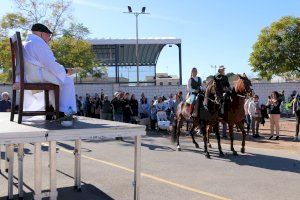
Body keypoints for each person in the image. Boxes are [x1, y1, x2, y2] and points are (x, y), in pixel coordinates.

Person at [22, 23, 76, 116]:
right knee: (67, 80)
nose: (49, 38)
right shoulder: (38, 43)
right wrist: (65, 71)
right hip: (38, 75)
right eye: (48, 35)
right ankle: (64, 111)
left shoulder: (26, 42)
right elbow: (50, 64)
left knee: (57, 80)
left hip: (29, 76)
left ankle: (52, 108)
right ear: (40, 33)